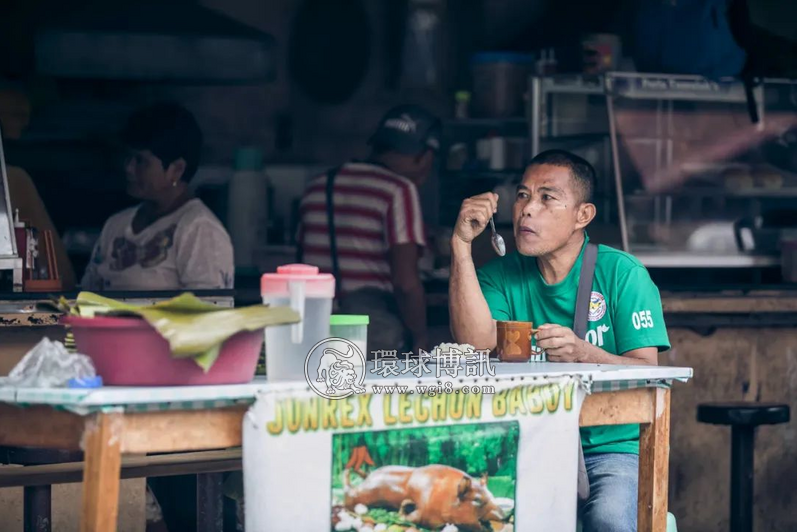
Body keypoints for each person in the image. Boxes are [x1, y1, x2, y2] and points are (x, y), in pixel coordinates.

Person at [448, 149, 670, 532]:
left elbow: (648, 372)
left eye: (547, 198)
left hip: (610, 449)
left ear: (582, 216)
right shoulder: (500, 275)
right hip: (532, 444)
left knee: (610, 520)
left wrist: (585, 353)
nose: (527, 210)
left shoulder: (622, 274)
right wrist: (461, 246)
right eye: (522, 195)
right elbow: (476, 343)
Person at [297, 104, 440, 355]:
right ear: (426, 156)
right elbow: (406, 283)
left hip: (313, 328)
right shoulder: (398, 190)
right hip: (366, 334)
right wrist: (420, 338)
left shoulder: (317, 187)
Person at [81, 101, 233, 292]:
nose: (128, 168)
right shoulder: (116, 225)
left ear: (176, 169)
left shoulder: (199, 229)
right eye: (127, 157)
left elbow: (207, 313)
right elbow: (86, 294)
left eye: (141, 161)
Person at [0, 87, 77, 290]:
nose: (25, 121)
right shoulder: (12, 179)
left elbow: (58, 276)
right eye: (17, 115)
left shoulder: (12, 180)